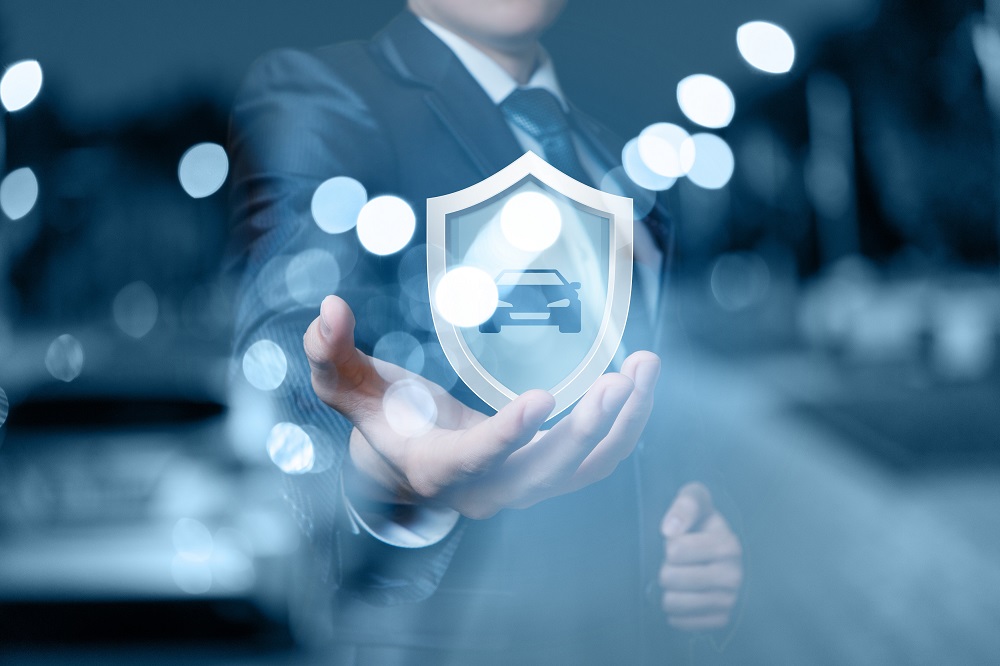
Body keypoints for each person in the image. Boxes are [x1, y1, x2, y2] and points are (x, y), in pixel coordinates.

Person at [229, 1, 743, 662]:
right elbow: (286, 338)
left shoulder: (605, 153)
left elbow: (642, 433)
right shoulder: (327, 97)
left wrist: (696, 567)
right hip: (449, 633)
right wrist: (384, 459)